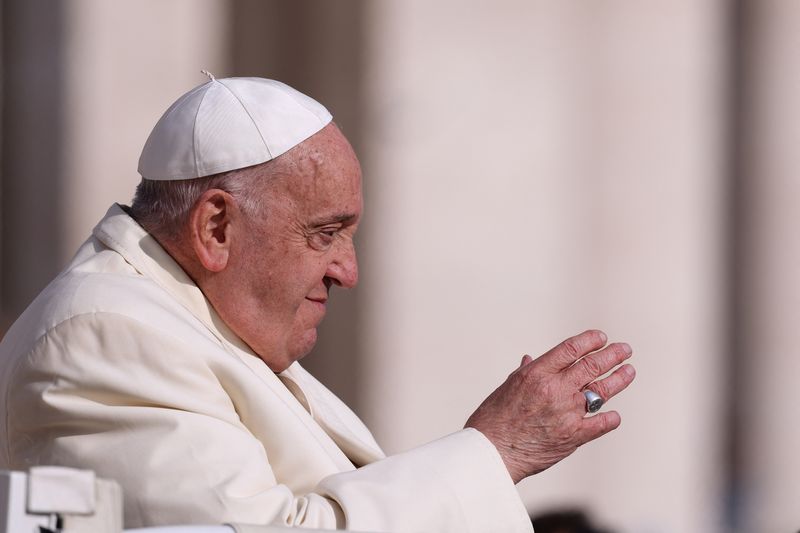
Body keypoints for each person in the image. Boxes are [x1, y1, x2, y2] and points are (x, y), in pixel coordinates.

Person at [0, 76, 636, 532]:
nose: (347, 271)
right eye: (325, 233)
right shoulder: (102, 337)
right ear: (216, 228)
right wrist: (496, 453)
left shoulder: (191, 320)